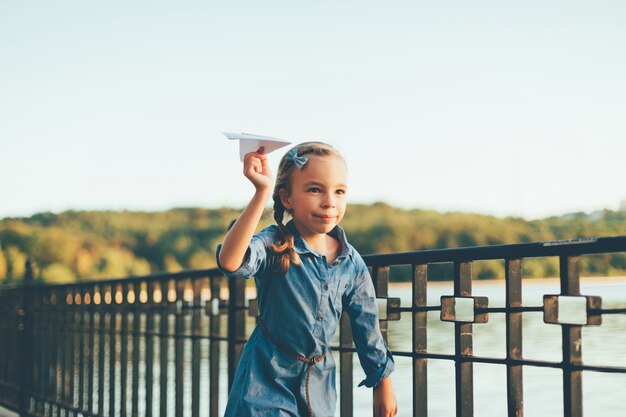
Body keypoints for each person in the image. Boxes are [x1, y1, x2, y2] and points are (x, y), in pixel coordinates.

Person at [216, 142, 397, 417]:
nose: (329, 201)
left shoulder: (351, 262)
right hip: (265, 379)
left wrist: (382, 382)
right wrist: (261, 192)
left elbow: (367, 327)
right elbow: (230, 262)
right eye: (315, 189)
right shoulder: (274, 244)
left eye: (339, 191)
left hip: (319, 387)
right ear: (287, 198)